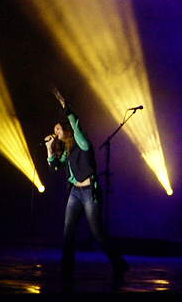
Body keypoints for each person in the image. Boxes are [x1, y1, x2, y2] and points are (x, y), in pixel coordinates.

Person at [45, 87, 129, 283]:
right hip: (75, 192)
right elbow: (55, 168)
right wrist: (49, 150)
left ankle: (119, 264)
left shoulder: (81, 143)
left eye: (58, 128)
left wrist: (64, 103)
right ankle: (66, 268)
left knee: (98, 233)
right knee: (68, 231)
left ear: (66, 129)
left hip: (89, 191)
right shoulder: (67, 151)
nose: (55, 132)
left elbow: (75, 123)